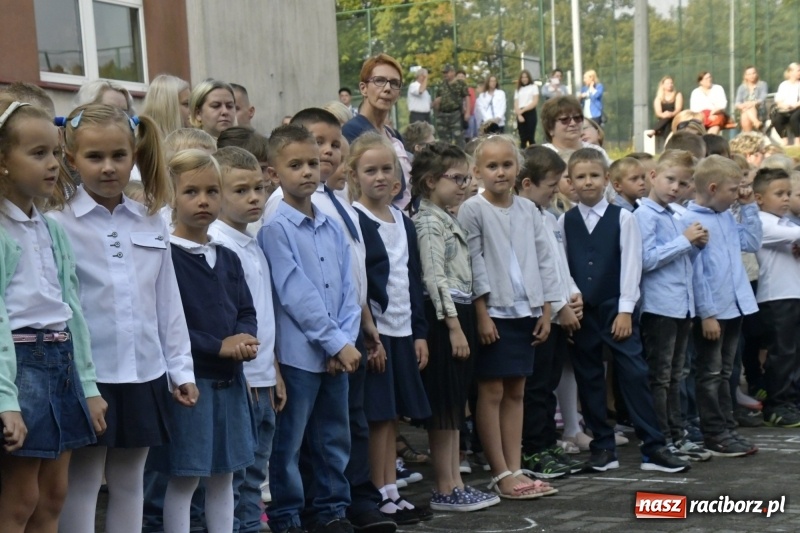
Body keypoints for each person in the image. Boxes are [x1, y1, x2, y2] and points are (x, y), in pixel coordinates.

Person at [47, 104, 196, 533]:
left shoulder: (151, 220)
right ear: (71, 159)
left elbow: (167, 301)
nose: (108, 167)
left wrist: (179, 369)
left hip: (145, 371)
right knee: (85, 481)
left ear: (134, 154)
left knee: (131, 479)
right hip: (88, 375)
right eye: (95, 157)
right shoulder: (58, 223)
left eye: (119, 156)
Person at [0, 98, 105, 532]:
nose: (52, 164)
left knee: (55, 493)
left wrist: (89, 385)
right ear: (3, 160)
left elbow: (72, 311)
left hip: (60, 363)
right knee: (21, 496)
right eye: (37, 153)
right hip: (20, 366)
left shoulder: (52, 228)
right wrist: (7, 400)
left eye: (57, 153)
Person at [558, 148, 691, 473]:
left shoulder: (624, 218)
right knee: (588, 376)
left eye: (594, 175)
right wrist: (572, 297)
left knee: (634, 374)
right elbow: (562, 265)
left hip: (616, 308)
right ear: (571, 183)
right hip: (583, 313)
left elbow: (632, 265)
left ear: (606, 179)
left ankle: (654, 447)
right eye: (580, 176)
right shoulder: (565, 221)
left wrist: (625, 310)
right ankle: (602, 448)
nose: (587, 182)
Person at [260, 124, 362, 533]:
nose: (307, 172)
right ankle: (287, 515)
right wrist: (336, 343)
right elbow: (294, 293)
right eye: (295, 164)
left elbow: (347, 289)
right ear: (273, 173)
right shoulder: (275, 228)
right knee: (291, 443)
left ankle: (331, 510)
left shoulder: (331, 225)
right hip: (299, 355)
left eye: (313, 163)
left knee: (334, 438)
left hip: (336, 354)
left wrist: (345, 341)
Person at [159, 149, 257, 532]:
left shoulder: (227, 256)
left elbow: (245, 309)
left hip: (231, 382)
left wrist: (246, 337)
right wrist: (218, 346)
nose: (203, 201)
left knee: (225, 476)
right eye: (191, 192)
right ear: (172, 197)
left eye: (212, 191)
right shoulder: (166, 255)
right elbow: (169, 322)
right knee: (185, 478)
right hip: (191, 385)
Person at [458, 134, 560, 499]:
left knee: (518, 390)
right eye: (491, 166)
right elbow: (474, 263)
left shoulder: (529, 210)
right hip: (495, 312)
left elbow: (545, 260)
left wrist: (547, 308)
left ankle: (516, 468)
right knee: (492, 390)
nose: (500, 172)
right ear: (477, 171)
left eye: (507, 165)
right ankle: (499, 471)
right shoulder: (473, 209)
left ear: (518, 169)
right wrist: (482, 314)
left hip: (527, 311)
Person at [349, 133, 439, 522]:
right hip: (376, 334)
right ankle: (377, 490)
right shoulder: (355, 219)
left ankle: (390, 488)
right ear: (355, 175)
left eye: (387, 168)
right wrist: (371, 335)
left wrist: (419, 332)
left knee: (391, 416)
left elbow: (411, 277)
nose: (380, 177)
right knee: (376, 415)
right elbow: (360, 282)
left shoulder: (403, 220)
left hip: (403, 330)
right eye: (370, 170)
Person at [409, 142, 501, 511]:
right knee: (445, 405)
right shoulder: (429, 222)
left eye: (467, 178)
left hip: (458, 312)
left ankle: (455, 481)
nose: (464, 185)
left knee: (454, 405)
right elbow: (434, 278)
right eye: (456, 178)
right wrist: (453, 327)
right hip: (445, 317)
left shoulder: (446, 217)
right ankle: (445, 486)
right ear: (431, 181)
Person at [208, 146, 286, 533]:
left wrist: (273, 371)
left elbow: (264, 316)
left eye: (258, 187)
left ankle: (252, 525)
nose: (255, 197)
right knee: (237, 471)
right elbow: (229, 321)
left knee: (258, 467)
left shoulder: (252, 240)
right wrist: (250, 375)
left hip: (263, 378)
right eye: (240, 191)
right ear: (217, 193)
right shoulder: (219, 245)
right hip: (240, 380)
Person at [634, 150, 713, 462]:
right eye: (669, 180)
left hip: (682, 306)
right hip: (659, 307)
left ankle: (678, 435)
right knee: (661, 375)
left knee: (678, 374)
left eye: (682, 184)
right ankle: (662, 438)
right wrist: (684, 241)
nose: (675, 188)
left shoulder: (676, 215)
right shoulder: (644, 215)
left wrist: (695, 246)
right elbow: (645, 260)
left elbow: (682, 261)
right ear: (653, 176)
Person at [682, 155, 762, 456]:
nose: (737, 194)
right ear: (713, 188)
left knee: (727, 371)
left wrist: (750, 206)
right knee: (710, 372)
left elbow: (752, 242)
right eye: (733, 189)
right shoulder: (691, 221)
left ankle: (727, 427)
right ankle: (713, 431)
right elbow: (697, 272)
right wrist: (707, 314)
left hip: (736, 305)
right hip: (713, 311)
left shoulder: (727, 214)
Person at [515, 146, 587, 478]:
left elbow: (559, 265)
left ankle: (547, 443)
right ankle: (534, 448)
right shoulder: (522, 216)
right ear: (527, 184)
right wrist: (558, 306)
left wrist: (573, 295)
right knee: (537, 388)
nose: (556, 191)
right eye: (550, 184)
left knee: (551, 382)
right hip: (542, 316)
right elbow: (536, 271)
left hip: (559, 314)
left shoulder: (549, 216)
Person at [752, 168, 800, 427]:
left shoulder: (786, 223)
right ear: (759, 198)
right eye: (779, 193)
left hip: (793, 293)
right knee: (781, 353)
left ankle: (791, 401)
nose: (785, 199)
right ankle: (777, 405)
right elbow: (795, 237)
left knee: (793, 353)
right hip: (776, 297)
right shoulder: (761, 222)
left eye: (788, 194)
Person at [343, 54, 412, 210]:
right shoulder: (352, 131)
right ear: (363, 88)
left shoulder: (393, 134)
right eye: (380, 81)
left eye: (394, 83)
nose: (387, 88)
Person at [541, 96, 611, 165]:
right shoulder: (541, 155)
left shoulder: (597, 152)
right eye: (565, 119)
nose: (573, 123)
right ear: (550, 128)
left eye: (577, 118)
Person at [433, 65, 469, 149]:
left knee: (458, 138)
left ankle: (461, 157)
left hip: (455, 114)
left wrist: (467, 112)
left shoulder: (460, 84)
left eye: (447, 72)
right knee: (443, 140)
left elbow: (467, 97)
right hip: (442, 115)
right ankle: (446, 158)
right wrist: (436, 104)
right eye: (444, 73)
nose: (445, 74)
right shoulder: (441, 85)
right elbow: (437, 100)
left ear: (453, 72)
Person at [771, 63, 800, 147]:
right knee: (777, 120)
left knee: (794, 118)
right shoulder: (783, 85)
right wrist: (783, 106)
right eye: (798, 70)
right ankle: (785, 140)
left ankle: (797, 141)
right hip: (786, 109)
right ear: (791, 72)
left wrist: (795, 106)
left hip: (797, 108)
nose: (799, 72)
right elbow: (778, 100)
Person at [734, 66, 768, 132]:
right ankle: (757, 123)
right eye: (749, 74)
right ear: (745, 76)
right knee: (746, 111)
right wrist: (744, 105)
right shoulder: (742, 87)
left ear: (757, 74)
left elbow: (762, 98)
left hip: (760, 111)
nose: (752, 76)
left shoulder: (762, 84)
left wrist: (752, 103)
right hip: (744, 110)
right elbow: (737, 103)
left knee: (747, 110)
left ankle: (748, 136)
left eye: (753, 73)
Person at [514, 70, 539, 148]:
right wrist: (519, 114)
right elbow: (516, 103)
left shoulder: (533, 87)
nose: (524, 79)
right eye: (522, 77)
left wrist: (523, 110)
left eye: (526, 77)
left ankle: (534, 156)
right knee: (523, 138)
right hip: (520, 114)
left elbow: (535, 102)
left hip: (530, 112)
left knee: (531, 137)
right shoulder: (518, 89)